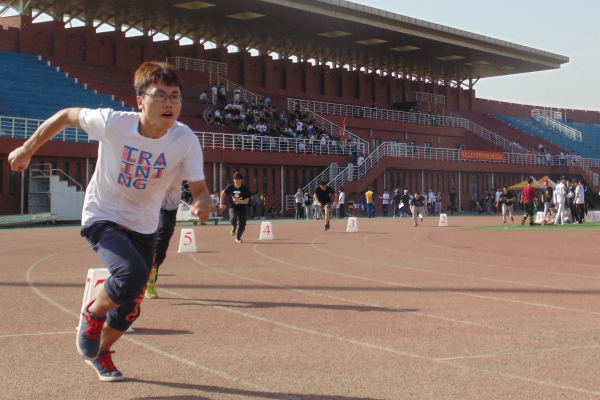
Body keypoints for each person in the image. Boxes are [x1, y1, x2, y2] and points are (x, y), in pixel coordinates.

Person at [9, 61, 212, 381]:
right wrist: (27, 148)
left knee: (131, 307)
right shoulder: (114, 123)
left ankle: (101, 353)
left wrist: (202, 202)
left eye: (175, 96)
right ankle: (92, 313)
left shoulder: (184, 139)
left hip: (144, 224)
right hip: (103, 215)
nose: (169, 103)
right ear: (140, 101)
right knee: (131, 276)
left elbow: (199, 189)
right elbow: (66, 116)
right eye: (160, 95)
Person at [146, 179, 185, 300]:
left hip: (172, 204)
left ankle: (152, 269)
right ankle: (150, 275)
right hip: (152, 201)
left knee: (165, 239)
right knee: (165, 228)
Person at [220, 172, 252, 243]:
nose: (237, 180)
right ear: (233, 180)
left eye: (238, 179)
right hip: (233, 207)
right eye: (235, 179)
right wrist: (221, 204)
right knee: (233, 219)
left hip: (242, 208)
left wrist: (238, 201)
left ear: (241, 180)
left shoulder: (244, 189)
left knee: (242, 224)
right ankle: (234, 227)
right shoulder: (230, 187)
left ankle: (238, 238)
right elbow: (223, 193)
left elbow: (246, 201)